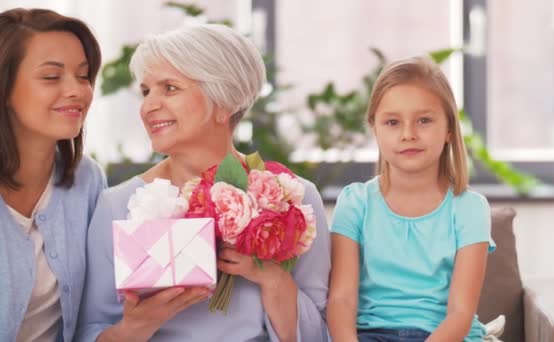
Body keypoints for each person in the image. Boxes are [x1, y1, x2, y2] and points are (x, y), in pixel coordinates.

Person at [76, 23, 330, 342]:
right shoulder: (117, 205)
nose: (148, 106)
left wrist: (271, 279)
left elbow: (322, 332)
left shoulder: (294, 198)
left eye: (169, 88)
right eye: (145, 91)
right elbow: (88, 332)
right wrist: (135, 327)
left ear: (223, 103)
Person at [327, 56, 495, 342]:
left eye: (424, 120)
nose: (408, 134)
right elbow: (341, 300)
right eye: (392, 122)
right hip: (370, 335)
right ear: (375, 129)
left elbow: (460, 313)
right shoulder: (355, 203)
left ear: (449, 129)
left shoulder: (470, 208)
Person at [0, 8, 106, 342]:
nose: (77, 91)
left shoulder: (87, 181)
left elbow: (95, 320)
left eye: (84, 75)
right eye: (51, 77)